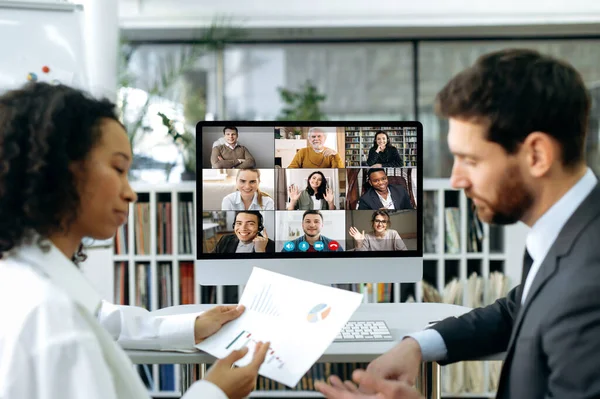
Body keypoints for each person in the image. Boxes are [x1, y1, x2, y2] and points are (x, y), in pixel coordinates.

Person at [324, 48, 600, 399]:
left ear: (537, 155)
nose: (456, 179)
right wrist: (420, 345)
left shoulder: (589, 283)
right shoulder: (572, 230)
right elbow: (519, 310)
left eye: (469, 159)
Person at [0, 82, 270, 399]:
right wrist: (214, 392)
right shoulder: (55, 320)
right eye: (118, 169)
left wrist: (192, 326)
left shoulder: (22, 280)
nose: (131, 193)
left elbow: (104, 320)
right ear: (59, 171)